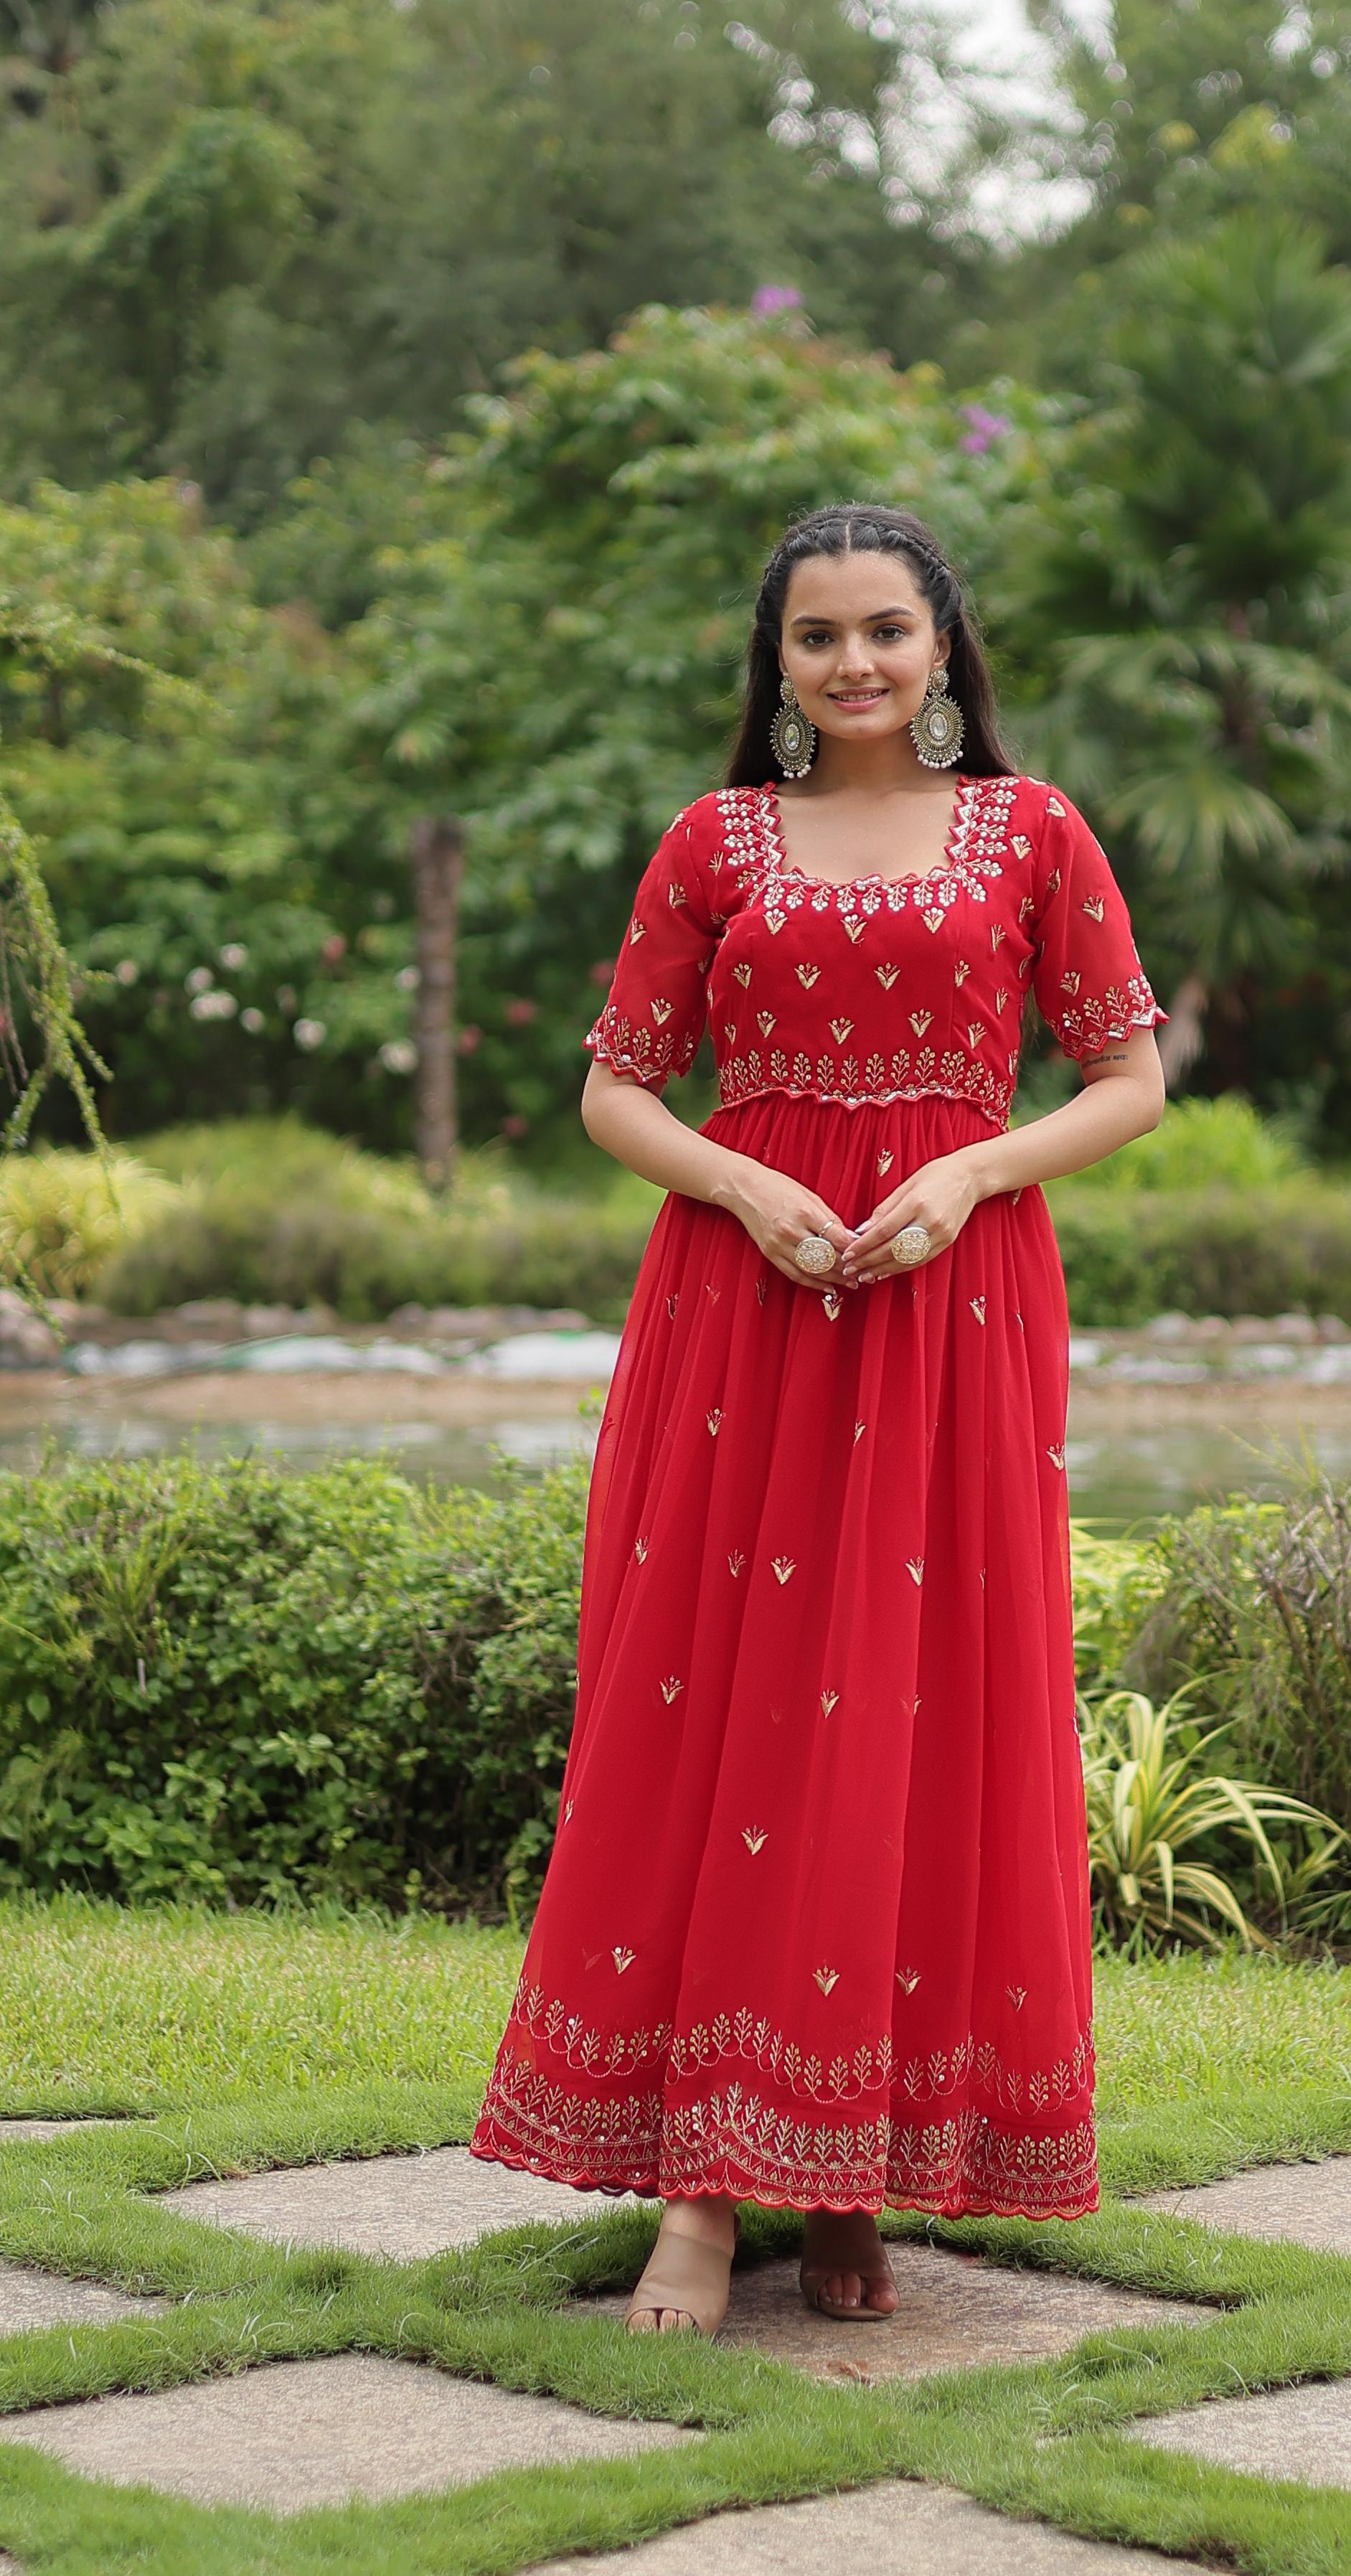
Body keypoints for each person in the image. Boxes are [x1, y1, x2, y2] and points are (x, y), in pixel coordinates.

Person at [471, 502, 1165, 2335]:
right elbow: (618, 1092)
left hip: (953, 1303)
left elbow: (1128, 1078)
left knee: (919, 1715)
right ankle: (704, 2200)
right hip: (745, 1315)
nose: (853, 664)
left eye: (886, 631)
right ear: (772, 665)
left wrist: (973, 1171)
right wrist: (733, 1187)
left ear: (946, 648)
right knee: (742, 1712)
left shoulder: (1036, 832)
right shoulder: (717, 841)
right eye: (816, 639)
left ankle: (851, 2178)